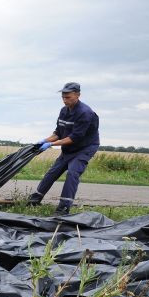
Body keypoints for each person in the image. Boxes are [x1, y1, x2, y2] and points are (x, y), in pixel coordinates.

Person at [27, 82, 100, 215]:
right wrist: (44, 141)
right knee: (53, 172)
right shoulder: (64, 111)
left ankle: (63, 208)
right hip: (69, 148)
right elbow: (58, 133)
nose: (65, 100)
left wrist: (51, 145)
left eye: (68, 97)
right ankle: (34, 200)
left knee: (72, 173)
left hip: (84, 148)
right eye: (63, 97)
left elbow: (74, 138)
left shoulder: (85, 113)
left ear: (77, 95)